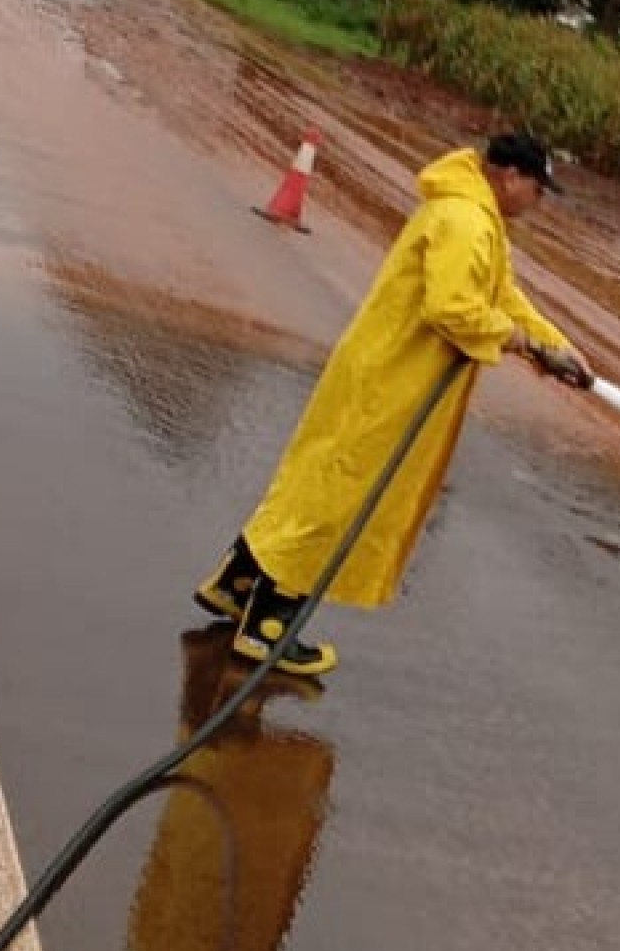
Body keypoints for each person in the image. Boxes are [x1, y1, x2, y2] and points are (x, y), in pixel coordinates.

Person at [193, 133, 594, 677]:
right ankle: (267, 628)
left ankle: (235, 584)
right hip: (390, 383)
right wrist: (520, 341)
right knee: (336, 498)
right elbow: (453, 308)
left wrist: (554, 344)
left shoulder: (472, 215)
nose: (537, 203)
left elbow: (500, 296)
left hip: (383, 373)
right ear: (509, 176)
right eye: (537, 190)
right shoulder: (467, 221)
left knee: (315, 481)